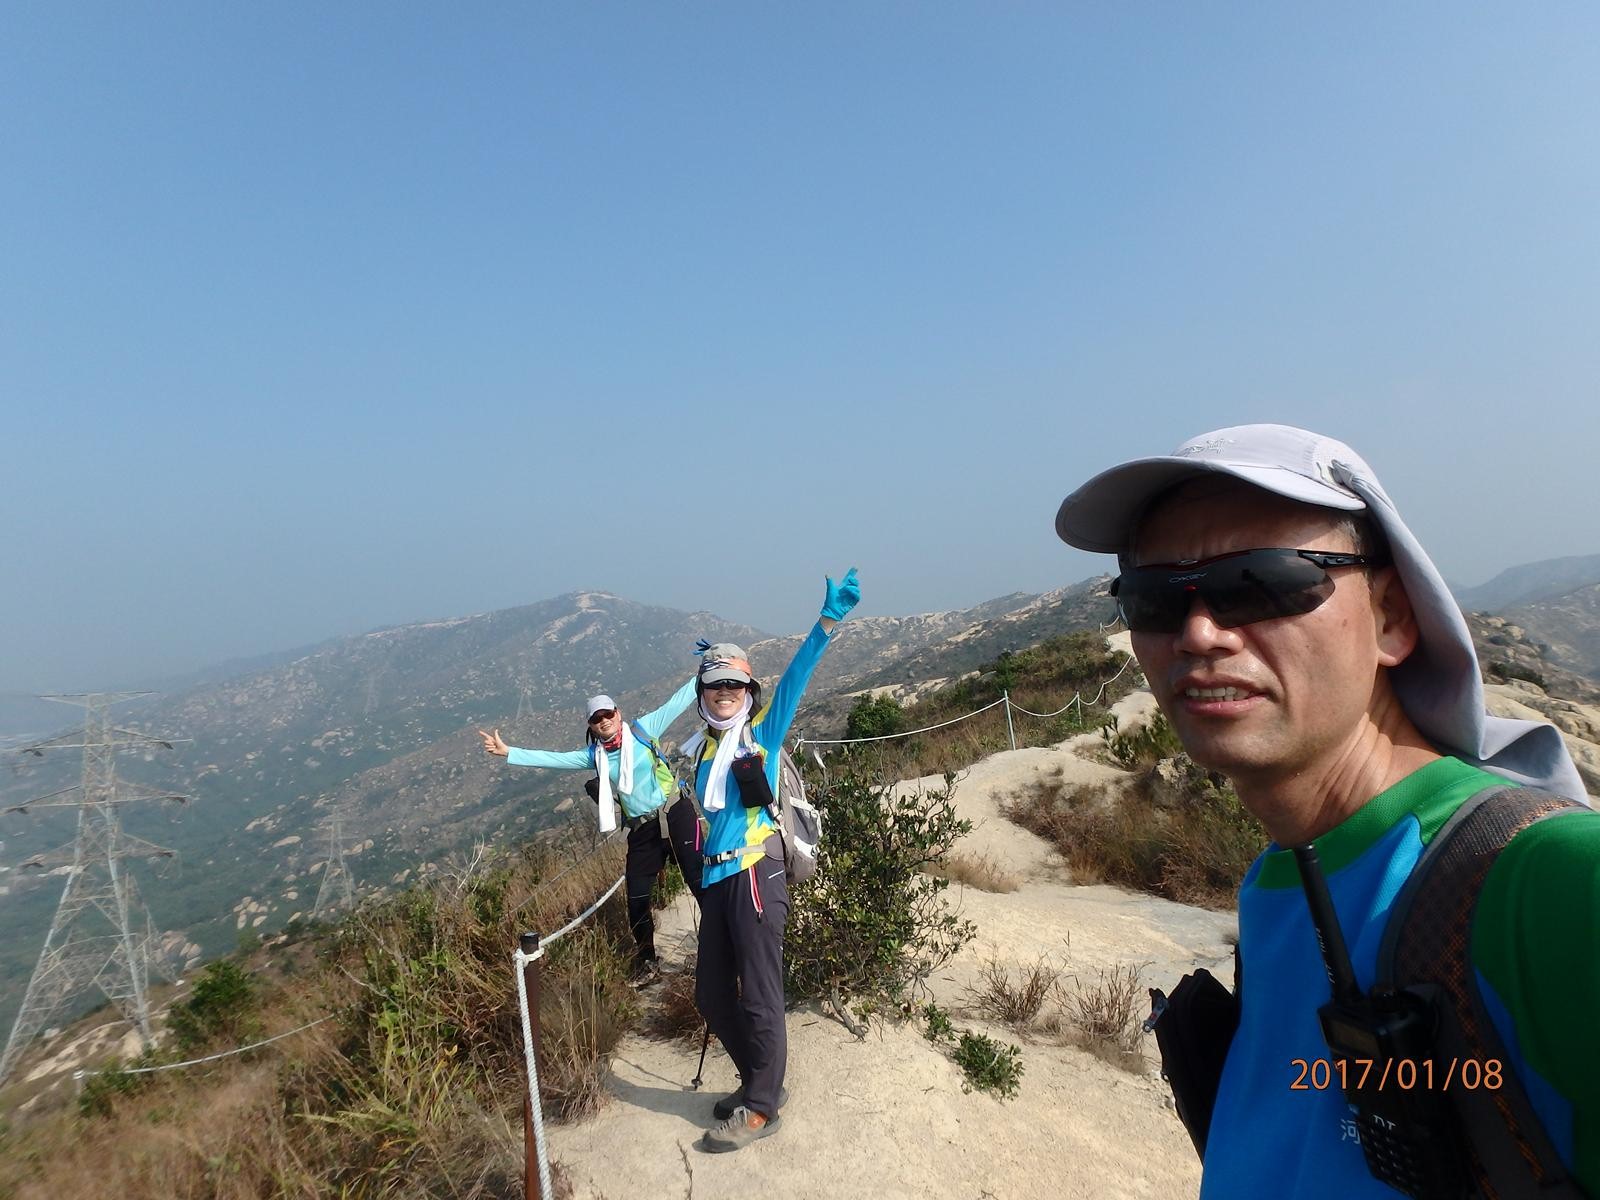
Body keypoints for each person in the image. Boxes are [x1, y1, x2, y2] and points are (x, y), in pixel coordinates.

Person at [1054, 424, 1597, 1198]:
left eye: (1261, 582)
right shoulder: (1278, 883)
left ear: (1392, 617)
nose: (1200, 633)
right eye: (1154, 600)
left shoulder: (1549, 884)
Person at [688, 568, 860, 1153]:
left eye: (734, 684)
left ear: (749, 691)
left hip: (757, 873)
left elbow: (795, 680)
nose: (724, 691)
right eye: (715, 684)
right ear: (702, 693)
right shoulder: (703, 749)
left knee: (760, 993)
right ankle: (761, 1081)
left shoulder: (760, 733)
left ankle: (761, 1107)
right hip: (717, 879)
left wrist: (826, 622)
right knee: (712, 995)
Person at [479, 677, 701, 979]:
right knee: (637, 899)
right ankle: (647, 961)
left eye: (608, 714)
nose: (604, 720)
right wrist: (509, 752)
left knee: (700, 882)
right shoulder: (594, 756)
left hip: (675, 813)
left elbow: (677, 702)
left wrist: (709, 668)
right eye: (597, 718)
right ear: (591, 726)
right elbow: (554, 759)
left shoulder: (644, 729)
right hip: (641, 829)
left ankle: (721, 946)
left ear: (618, 714)